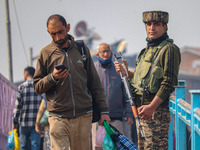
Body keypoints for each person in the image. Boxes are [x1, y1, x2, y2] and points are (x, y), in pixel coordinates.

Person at [33, 14, 110, 150]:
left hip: (83, 115)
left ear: (67, 28)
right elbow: (38, 86)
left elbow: (95, 83)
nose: (58, 37)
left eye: (60, 32)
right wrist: (52, 77)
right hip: (58, 116)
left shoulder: (81, 49)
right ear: (48, 33)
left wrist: (104, 111)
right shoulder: (45, 54)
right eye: (53, 34)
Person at [114, 10, 181, 150]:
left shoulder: (169, 49)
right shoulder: (146, 51)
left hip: (155, 113)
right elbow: (141, 82)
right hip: (142, 112)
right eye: (148, 24)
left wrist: (152, 107)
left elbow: (168, 83)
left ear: (165, 27)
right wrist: (127, 72)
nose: (152, 28)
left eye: (156, 24)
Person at [92, 43, 134, 149]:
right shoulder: (93, 70)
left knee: (117, 146)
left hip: (116, 118)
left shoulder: (118, 69)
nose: (106, 54)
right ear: (97, 54)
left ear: (111, 53)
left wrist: (129, 112)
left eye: (108, 51)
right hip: (98, 119)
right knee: (98, 146)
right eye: (103, 52)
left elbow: (126, 92)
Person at [13, 67, 43, 150]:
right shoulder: (39, 87)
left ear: (26, 74)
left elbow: (17, 108)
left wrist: (15, 122)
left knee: (24, 146)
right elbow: (44, 105)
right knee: (35, 146)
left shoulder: (21, 87)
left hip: (23, 123)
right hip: (36, 123)